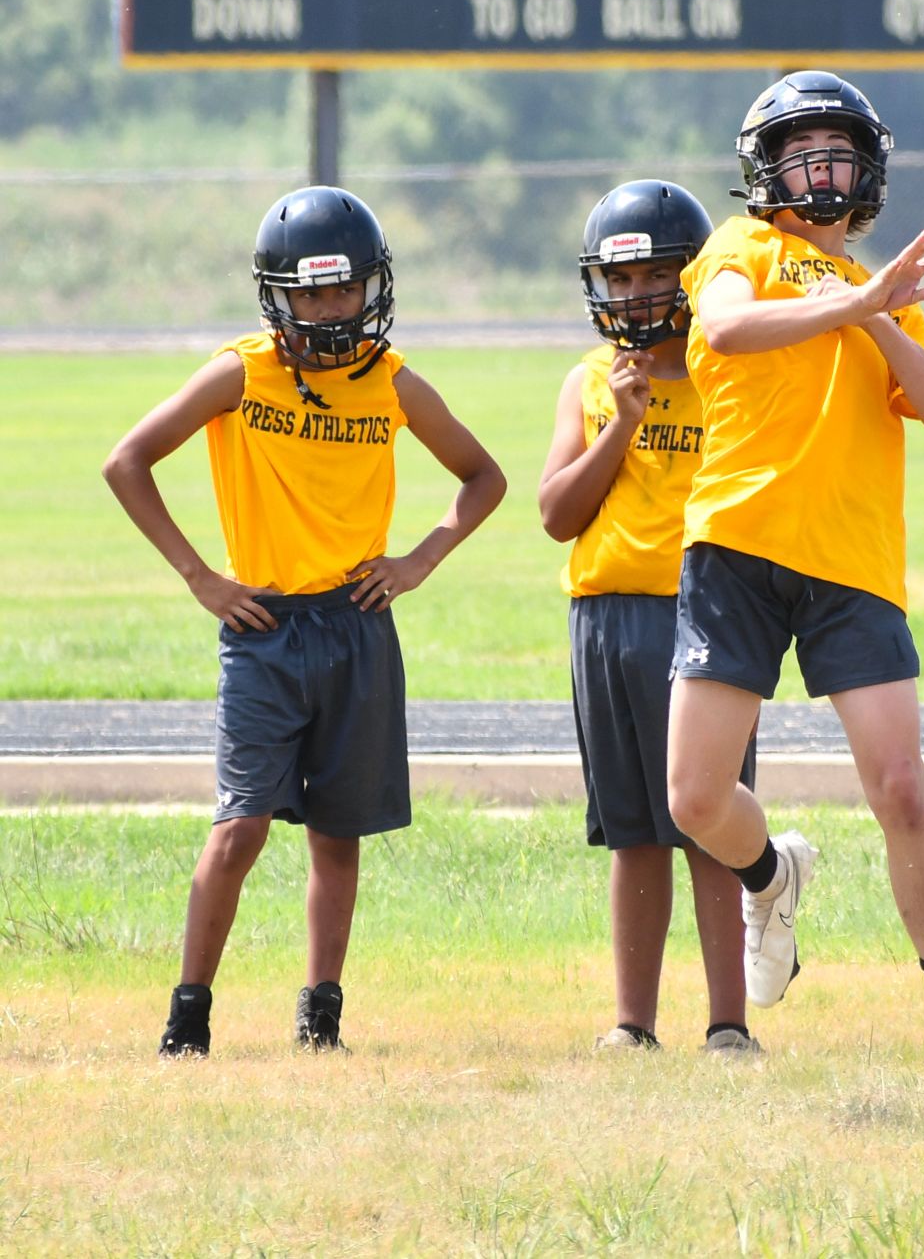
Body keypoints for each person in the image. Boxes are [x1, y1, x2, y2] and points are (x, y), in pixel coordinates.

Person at [659, 71, 924, 1127]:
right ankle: (771, 876)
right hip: (739, 549)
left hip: (850, 561)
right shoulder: (740, 248)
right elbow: (720, 332)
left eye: (835, 151)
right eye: (799, 150)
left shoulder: (874, 292)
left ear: (866, 172)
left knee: (899, 788)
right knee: (694, 802)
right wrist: (847, 301)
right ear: (764, 168)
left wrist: (876, 315)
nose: (819, 166)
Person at [103, 186, 505, 1057]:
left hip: (357, 626)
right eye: (309, 292)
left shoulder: (391, 381)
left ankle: (321, 1013)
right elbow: (126, 460)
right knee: (241, 825)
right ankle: (188, 1016)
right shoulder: (240, 372)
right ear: (275, 295)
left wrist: (419, 560)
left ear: (373, 288)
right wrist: (199, 576)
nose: (328, 308)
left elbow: (483, 476)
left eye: (343, 289)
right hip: (264, 630)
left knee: (338, 831)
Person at [539, 178, 761, 1056]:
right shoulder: (592, 381)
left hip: (706, 616)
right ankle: (633, 1022)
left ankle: (729, 1023)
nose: (634, 295)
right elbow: (558, 513)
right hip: (608, 620)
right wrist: (618, 429)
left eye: (653, 275)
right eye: (619, 278)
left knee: (708, 824)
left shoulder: (727, 375)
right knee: (634, 831)